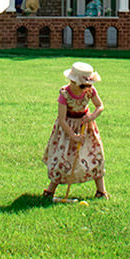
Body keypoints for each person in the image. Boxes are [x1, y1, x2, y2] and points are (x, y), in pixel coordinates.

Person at [43, 61, 106, 199]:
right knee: (63, 158)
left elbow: (100, 106)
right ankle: (50, 191)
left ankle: (101, 191)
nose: (87, 88)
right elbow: (61, 119)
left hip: (86, 128)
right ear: (73, 81)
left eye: (89, 85)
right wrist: (73, 136)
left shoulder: (89, 90)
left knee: (95, 156)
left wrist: (92, 116)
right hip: (67, 129)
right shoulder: (65, 94)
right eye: (83, 85)